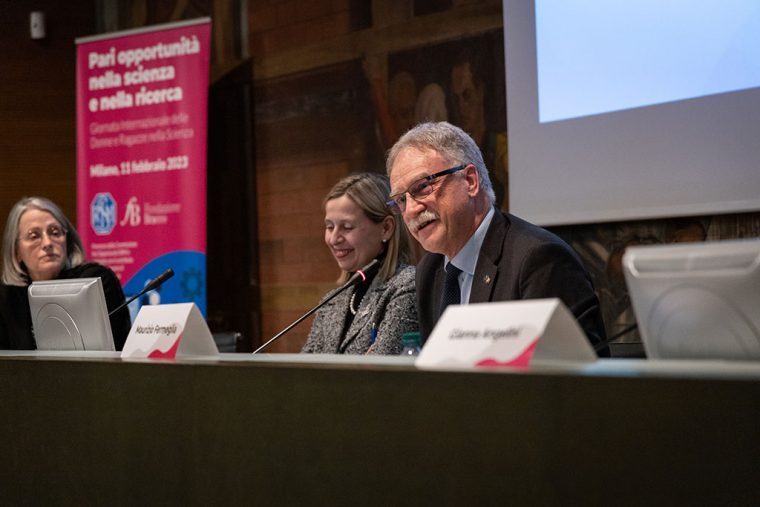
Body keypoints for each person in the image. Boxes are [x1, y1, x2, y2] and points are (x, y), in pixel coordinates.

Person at [386, 122, 608, 354]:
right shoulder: (429, 271)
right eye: (400, 200)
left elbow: (572, 369)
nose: (411, 210)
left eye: (422, 187)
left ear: (470, 181)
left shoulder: (539, 260)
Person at [301, 173, 417, 355]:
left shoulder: (407, 286)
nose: (334, 239)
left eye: (347, 227)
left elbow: (379, 369)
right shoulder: (332, 300)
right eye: (329, 227)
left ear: (386, 228)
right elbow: (305, 368)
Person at [0, 197, 131, 350]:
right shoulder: (6, 296)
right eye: (34, 236)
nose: (47, 243)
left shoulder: (96, 281)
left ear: (67, 241)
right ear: (16, 251)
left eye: (55, 232)